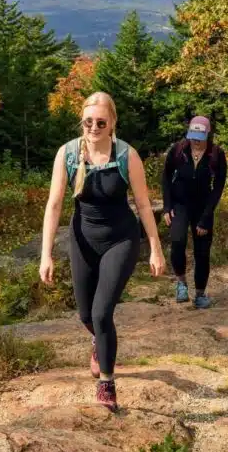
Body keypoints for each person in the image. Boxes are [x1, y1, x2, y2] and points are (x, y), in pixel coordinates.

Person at [40, 92, 166, 411]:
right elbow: (54, 205)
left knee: (101, 312)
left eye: (100, 122)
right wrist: (46, 254)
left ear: (112, 124)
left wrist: (154, 247)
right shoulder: (67, 154)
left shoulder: (126, 155)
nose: (93, 127)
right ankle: (99, 340)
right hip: (82, 238)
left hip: (121, 240)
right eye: (88, 121)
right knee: (85, 314)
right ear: (82, 121)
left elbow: (142, 204)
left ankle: (106, 383)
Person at [162, 115, 227, 309]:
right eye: (193, 135)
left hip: (203, 206)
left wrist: (207, 217)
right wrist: (167, 206)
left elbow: (218, 187)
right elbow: (165, 177)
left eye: (199, 136)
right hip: (179, 204)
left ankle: (200, 293)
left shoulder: (216, 154)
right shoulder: (178, 150)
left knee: (202, 252)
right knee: (177, 241)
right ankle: (181, 283)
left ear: (208, 134)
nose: (195, 140)